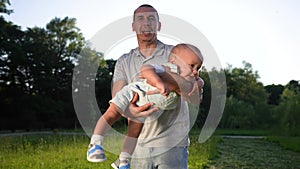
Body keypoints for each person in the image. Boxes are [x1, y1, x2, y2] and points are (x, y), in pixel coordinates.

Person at [89, 4, 203, 169]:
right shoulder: (123, 61)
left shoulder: (178, 54)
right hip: (138, 145)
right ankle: (99, 147)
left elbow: (194, 96)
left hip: (172, 144)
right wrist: (130, 110)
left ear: (159, 25)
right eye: (140, 19)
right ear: (133, 26)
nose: (146, 23)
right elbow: (118, 97)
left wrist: (175, 82)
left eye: (151, 18)